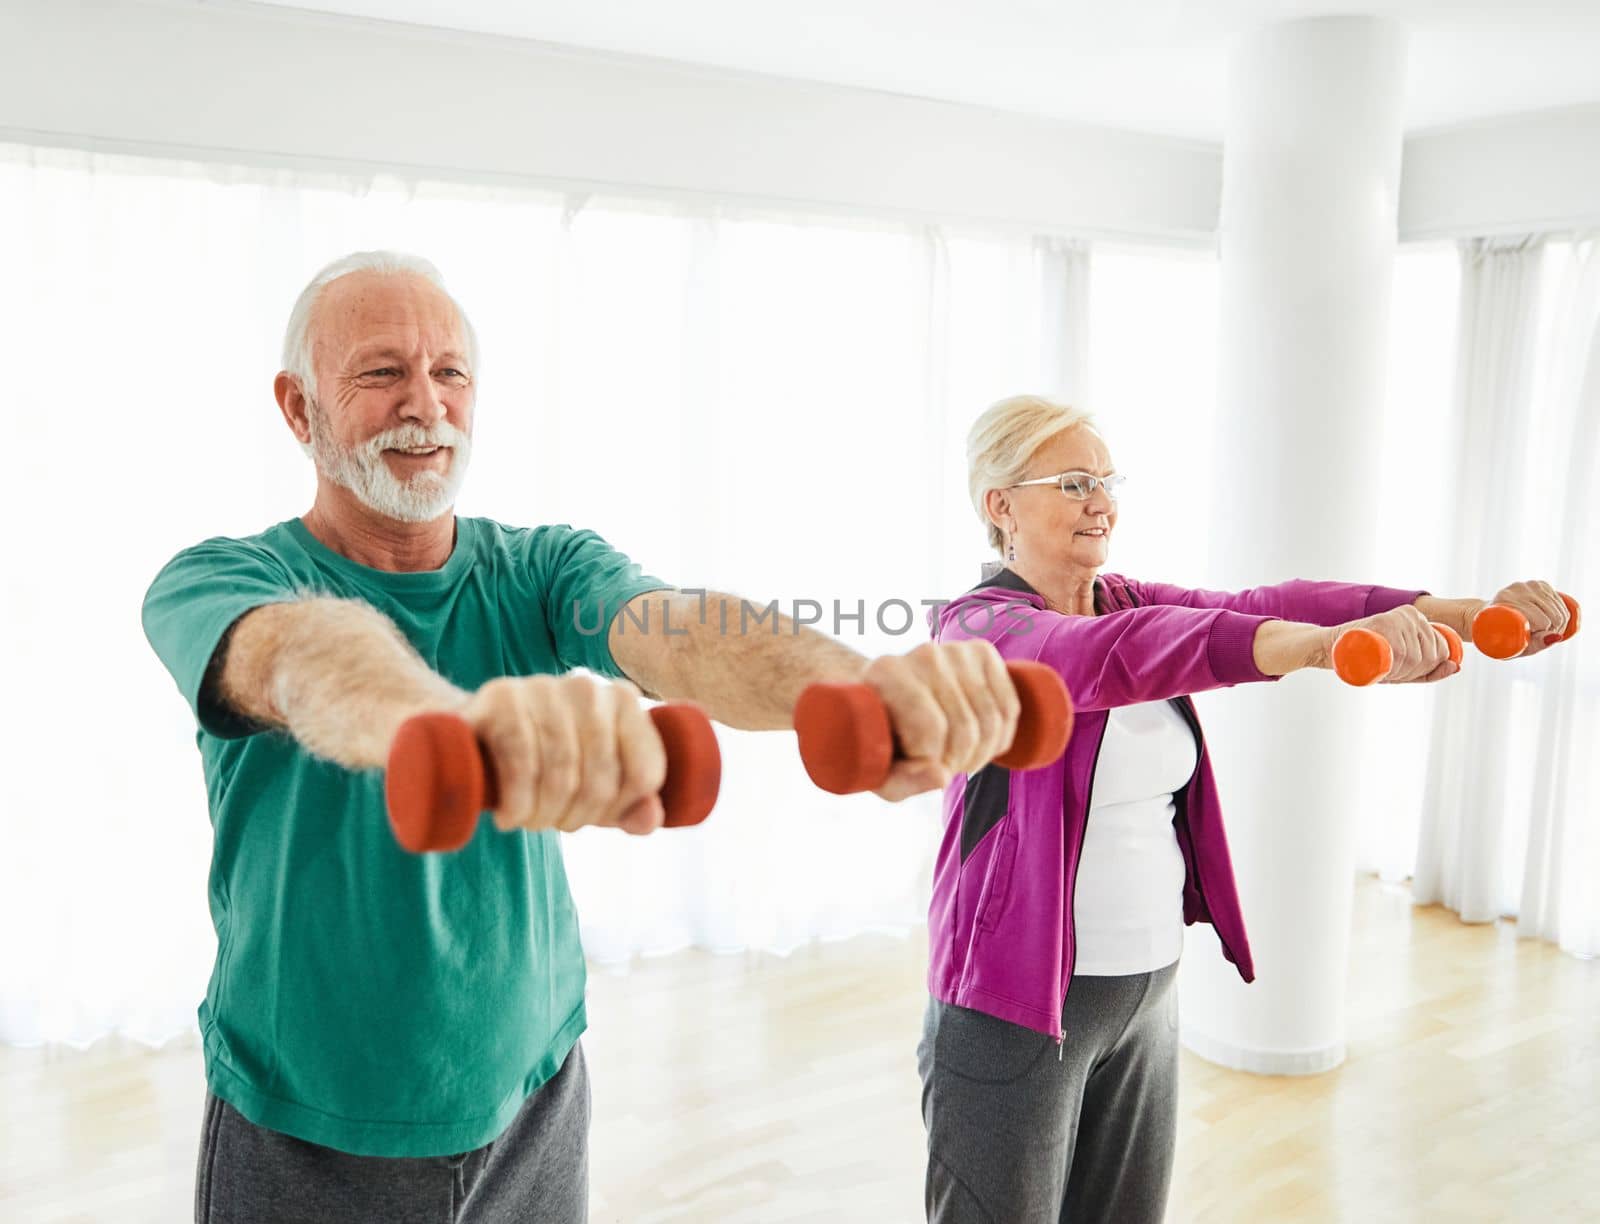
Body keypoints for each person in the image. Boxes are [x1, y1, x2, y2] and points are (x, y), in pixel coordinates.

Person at [143, 251, 1025, 1224]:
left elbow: (674, 630)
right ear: (300, 409)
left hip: (535, 1094)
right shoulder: (217, 580)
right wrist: (451, 728)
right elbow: (305, 656)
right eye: (381, 372)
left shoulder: (539, 565)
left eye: (450, 373)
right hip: (306, 1126)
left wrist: (860, 688)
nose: (425, 405)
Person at [916, 394, 1572, 1224]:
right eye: (1074, 481)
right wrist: (1317, 653)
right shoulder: (978, 631)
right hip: (1011, 1006)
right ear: (1000, 505)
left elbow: (1268, 604)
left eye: (1108, 480)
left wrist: (1469, 616)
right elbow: (1120, 658)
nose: (1102, 501)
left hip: (1143, 995)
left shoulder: (1119, 598)